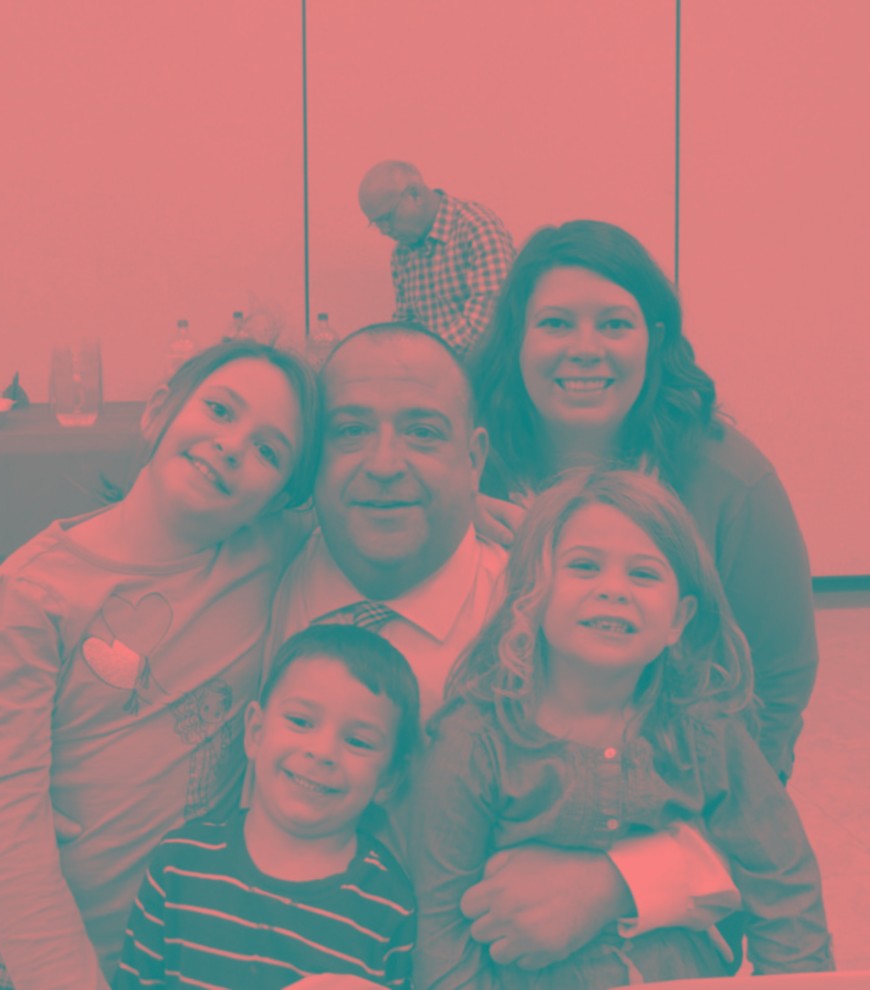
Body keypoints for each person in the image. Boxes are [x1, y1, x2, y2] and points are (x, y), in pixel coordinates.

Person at [265, 322, 740, 974]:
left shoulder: (556, 615)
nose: (384, 464)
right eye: (349, 431)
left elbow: (743, 818)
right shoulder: (257, 570)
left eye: (424, 432)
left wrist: (617, 881)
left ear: (474, 458)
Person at [0, 340, 320, 990]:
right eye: (220, 409)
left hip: (177, 953)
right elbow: (5, 837)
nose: (232, 445)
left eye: (268, 451)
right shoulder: (26, 597)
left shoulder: (268, 554)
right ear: (158, 410)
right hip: (25, 964)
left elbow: (370, 504)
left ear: (279, 499)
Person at [411, 468, 834, 989]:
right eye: (584, 566)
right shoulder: (473, 742)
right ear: (531, 594)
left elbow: (784, 881)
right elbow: (441, 933)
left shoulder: (706, 732)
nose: (613, 589)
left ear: (678, 620)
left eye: (644, 574)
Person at [470, 219, 818, 785]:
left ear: (654, 339)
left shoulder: (731, 480)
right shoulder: (466, 468)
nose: (585, 349)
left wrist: (724, 806)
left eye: (614, 324)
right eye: (556, 323)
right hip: (496, 790)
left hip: (679, 794)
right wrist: (448, 517)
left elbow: (779, 675)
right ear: (517, 339)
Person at [114, 624, 420, 990]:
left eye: (358, 741)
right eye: (301, 721)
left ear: (390, 778)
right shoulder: (179, 863)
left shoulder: (389, 907)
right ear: (256, 732)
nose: (322, 751)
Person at [358, 161, 515, 356]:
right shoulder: (402, 254)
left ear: (414, 194)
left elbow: (488, 321)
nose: (384, 230)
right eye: (377, 223)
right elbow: (406, 326)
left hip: (486, 369)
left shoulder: (477, 227)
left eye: (387, 218)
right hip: (435, 369)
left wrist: (427, 358)